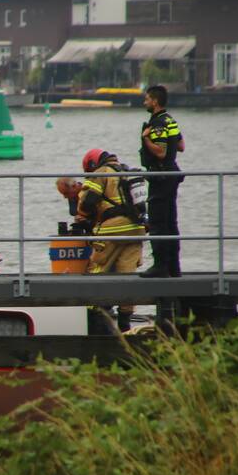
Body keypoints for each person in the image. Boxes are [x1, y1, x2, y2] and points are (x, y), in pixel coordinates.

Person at [76, 149, 147, 332]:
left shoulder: (101, 173)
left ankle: (92, 312)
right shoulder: (127, 172)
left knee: (98, 267)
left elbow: (89, 202)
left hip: (113, 229)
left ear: (92, 164)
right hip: (136, 230)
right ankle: (125, 322)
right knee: (127, 275)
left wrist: (83, 214)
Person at [139, 84, 185, 278]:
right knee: (170, 221)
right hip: (171, 175)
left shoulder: (157, 123)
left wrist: (146, 139)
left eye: (147, 99)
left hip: (160, 176)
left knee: (158, 222)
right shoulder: (170, 120)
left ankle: (160, 266)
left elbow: (161, 151)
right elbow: (181, 146)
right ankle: (174, 267)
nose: (145, 102)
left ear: (155, 101)